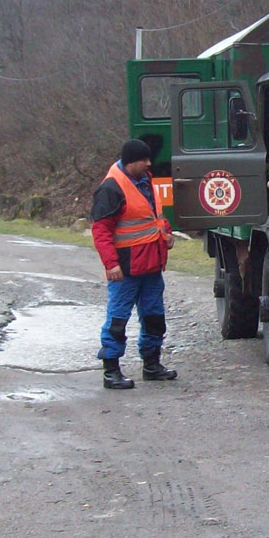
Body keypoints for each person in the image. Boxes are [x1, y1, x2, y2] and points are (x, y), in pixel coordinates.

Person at [91, 138, 178, 389]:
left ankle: (152, 365)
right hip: (126, 269)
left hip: (150, 265)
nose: (149, 164)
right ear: (131, 163)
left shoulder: (145, 179)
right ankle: (111, 371)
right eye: (144, 160)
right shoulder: (111, 188)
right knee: (117, 320)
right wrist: (111, 264)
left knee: (154, 317)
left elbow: (154, 217)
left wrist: (166, 234)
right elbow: (101, 231)